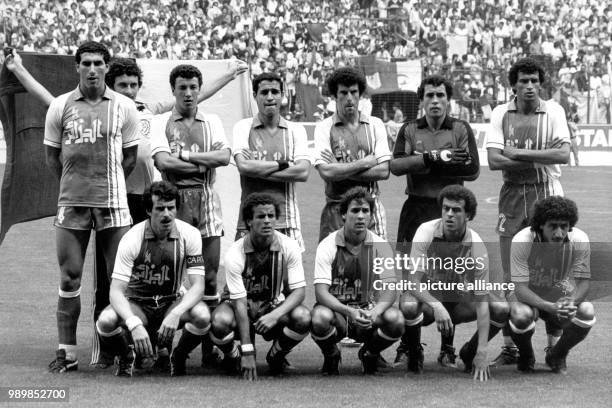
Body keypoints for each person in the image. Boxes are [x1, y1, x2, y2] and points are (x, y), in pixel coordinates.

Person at [44, 41, 140, 373]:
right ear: (77, 67)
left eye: (99, 62)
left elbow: (129, 159)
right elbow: (52, 159)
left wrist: (106, 181)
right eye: (86, 63)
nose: (92, 68)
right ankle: (66, 353)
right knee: (69, 278)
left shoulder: (125, 107)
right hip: (72, 204)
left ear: (106, 67)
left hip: (113, 204)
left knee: (121, 280)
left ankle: (127, 352)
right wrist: (76, 185)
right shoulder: (59, 106)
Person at [390, 75, 480, 367]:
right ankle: (410, 346)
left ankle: (447, 348)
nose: (435, 101)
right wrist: (432, 157)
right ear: (422, 100)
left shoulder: (460, 128)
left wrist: (433, 162)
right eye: (429, 96)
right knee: (410, 279)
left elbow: (473, 167)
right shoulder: (409, 128)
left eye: (440, 95)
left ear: (448, 100)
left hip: (450, 210)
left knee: (450, 279)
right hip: (415, 209)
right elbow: (396, 165)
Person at [486, 57, 570, 366]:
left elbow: (562, 154)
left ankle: (553, 345)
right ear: (514, 85)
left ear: (541, 83)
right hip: (511, 195)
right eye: (524, 81)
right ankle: (510, 346)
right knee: (510, 273)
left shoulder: (554, 111)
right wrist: (541, 157)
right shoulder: (500, 113)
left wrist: (519, 153)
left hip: (545, 194)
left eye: (535, 80)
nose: (530, 86)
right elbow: (494, 160)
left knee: (552, 271)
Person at [150, 64, 231, 366]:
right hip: (173, 201)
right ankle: (163, 349)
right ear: (173, 90)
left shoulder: (212, 121)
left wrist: (183, 156)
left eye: (192, 87)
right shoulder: (161, 122)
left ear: (199, 89)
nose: (187, 93)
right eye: (181, 87)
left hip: (207, 200)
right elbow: (162, 162)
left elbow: (223, 157)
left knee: (209, 277)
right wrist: (202, 163)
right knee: (167, 277)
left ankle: (209, 348)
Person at [94, 181, 212, 377]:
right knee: (105, 321)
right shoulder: (132, 238)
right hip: (137, 305)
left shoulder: (190, 235)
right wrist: (133, 323)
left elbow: (198, 286)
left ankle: (178, 356)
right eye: (160, 208)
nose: (167, 214)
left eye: (171, 208)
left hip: (171, 302)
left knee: (202, 316)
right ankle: (126, 356)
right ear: (149, 210)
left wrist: (177, 312)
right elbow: (115, 291)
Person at [399, 185, 508, 381]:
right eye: (445, 208)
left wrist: (482, 352)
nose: (449, 214)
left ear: (468, 215)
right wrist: (436, 305)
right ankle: (414, 355)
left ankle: (470, 353)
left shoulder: (477, 247)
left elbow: (482, 303)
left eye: (456, 210)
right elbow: (413, 282)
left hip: (459, 302)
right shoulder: (426, 231)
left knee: (500, 307)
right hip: (428, 301)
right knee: (408, 304)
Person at [209, 193, 310, 380]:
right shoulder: (234, 253)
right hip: (237, 304)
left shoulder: (289, 245)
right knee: (219, 321)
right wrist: (247, 350)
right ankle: (234, 356)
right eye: (261, 216)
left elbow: (299, 292)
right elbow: (239, 302)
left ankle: (276, 357)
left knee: (303, 317)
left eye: (271, 216)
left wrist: (275, 315)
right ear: (249, 221)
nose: (267, 221)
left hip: (270, 305)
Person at [310, 187, 404, 375]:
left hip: (368, 312)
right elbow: (320, 292)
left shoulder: (381, 246)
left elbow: (390, 290)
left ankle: (370, 355)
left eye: (365, 211)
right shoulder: (328, 245)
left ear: (371, 216)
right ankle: (331, 355)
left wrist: (375, 311)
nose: (360, 216)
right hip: (338, 313)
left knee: (396, 320)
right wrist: (349, 311)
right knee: (318, 318)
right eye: (355, 211)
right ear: (343, 215)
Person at [507, 196, 595, 373]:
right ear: (540, 224)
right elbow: (520, 288)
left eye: (564, 226)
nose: (559, 233)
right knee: (521, 315)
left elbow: (583, 283)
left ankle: (557, 355)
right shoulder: (522, 240)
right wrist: (549, 307)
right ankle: (526, 355)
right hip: (525, 292)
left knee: (586, 311)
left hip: (556, 289)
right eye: (553, 226)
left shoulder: (579, 239)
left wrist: (571, 302)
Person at [232, 72, 311, 250]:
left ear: (282, 95)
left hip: (287, 220)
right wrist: (283, 165)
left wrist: (257, 169)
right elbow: (244, 167)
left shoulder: (295, 131)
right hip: (249, 221)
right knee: (247, 276)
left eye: (274, 92)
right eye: (264, 92)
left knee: (289, 278)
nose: (270, 97)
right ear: (255, 96)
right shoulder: (243, 128)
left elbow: (303, 172)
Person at [314, 67, 391, 243]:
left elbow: (384, 171)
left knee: (379, 267)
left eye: (353, 92)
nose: (349, 98)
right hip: (336, 208)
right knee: (333, 268)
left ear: (360, 94)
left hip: (370, 208)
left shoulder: (375, 124)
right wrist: (365, 162)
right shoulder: (324, 127)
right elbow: (326, 173)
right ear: (335, 95)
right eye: (343, 93)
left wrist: (339, 167)